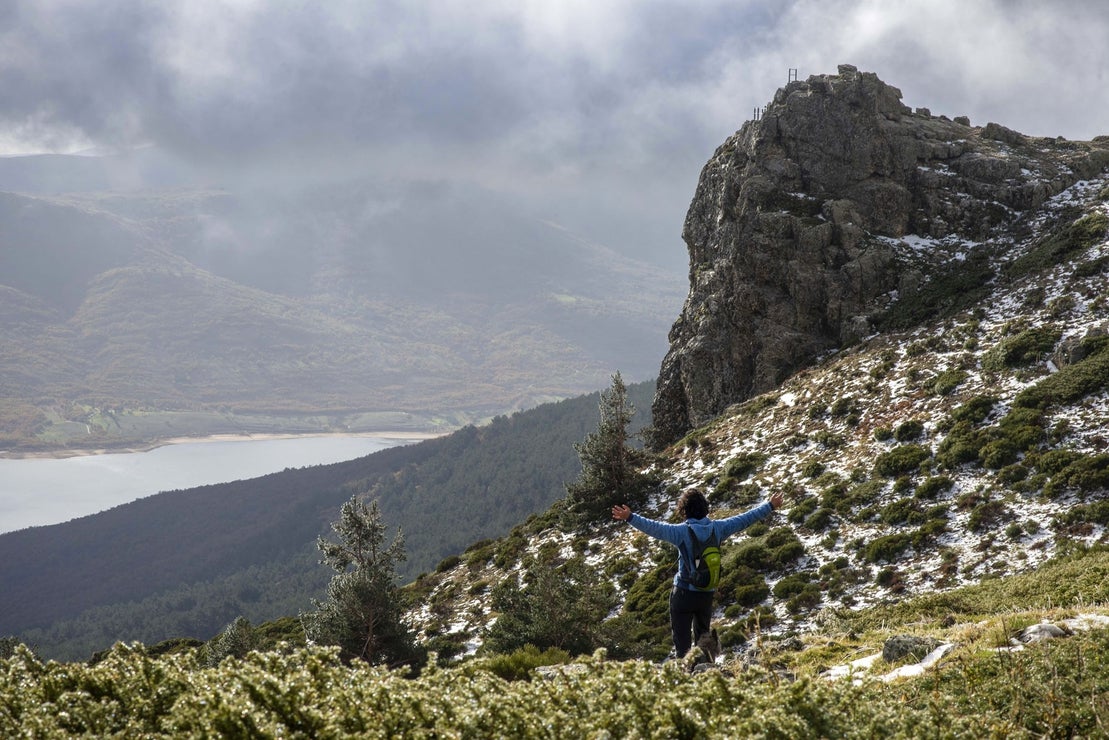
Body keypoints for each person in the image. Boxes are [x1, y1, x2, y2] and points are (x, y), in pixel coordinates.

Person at [611, 489, 784, 659]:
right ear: (704, 508)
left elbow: (655, 528)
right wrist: (769, 505)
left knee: (683, 645)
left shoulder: (681, 532)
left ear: (684, 510)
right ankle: (706, 673)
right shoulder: (718, 528)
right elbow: (744, 519)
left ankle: (687, 677)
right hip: (706, 594)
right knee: (704, 641)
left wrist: (630, 518)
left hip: (684, 593)